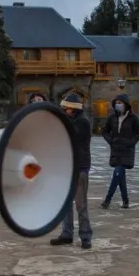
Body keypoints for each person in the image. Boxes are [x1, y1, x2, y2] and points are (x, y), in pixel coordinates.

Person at [51, 93, 93, 249]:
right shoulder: (68, 121)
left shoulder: (82, 122)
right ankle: (67, 234)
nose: (63, 111)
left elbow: (69, 136)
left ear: (73, 109)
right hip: (65, 167)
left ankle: (86, 236)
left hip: (79, 167)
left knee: (80, 204)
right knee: (66, 204)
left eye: (66, 109)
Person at [100, 93, 139, 209]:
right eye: (116, 103)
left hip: (126, 151)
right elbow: (104, 131)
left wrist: (131, 142)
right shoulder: (112, 118)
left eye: (120, 102)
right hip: (115, 150)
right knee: (120, 175)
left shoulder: (133, 118)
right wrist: (111, 141)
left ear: (126, 104)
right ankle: (126, 201)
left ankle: (107, 200)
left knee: (118, 173)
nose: (118, 104)